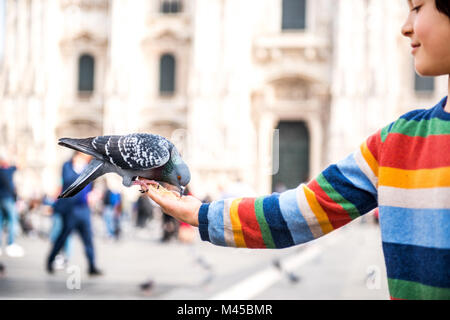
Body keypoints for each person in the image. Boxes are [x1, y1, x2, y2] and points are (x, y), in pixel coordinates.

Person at [143, 0, 450, 300]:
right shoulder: (398, 141)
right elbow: (307, 209)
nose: (404, 27)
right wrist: (200, 213)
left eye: (417, 8)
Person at [46, 152, 103, 276]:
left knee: (88, 239)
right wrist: (80, 168)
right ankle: (50, 260)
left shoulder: (89, 167)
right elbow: (67, 180)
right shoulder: (67, 166)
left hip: (84, 209)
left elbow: (92, 185)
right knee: (63, 237)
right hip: (70, 209)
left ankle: (92, 266)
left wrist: (94, 194)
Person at [0, 154, 24, 257]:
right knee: (12, 220)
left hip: (2, 199)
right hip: (7, 199)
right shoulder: (7, 170)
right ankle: (10, 244)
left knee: (1, 223)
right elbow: (20, 165)